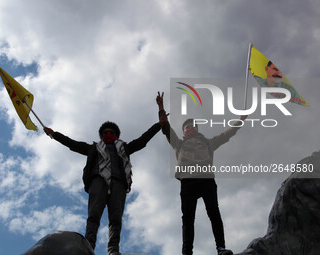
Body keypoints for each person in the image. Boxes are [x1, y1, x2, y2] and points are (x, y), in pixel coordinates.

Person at [44, 118, 164, 255]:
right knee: (93, 216)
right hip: (98, 181)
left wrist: (158, 125)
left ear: (116, 135)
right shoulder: (93, 148)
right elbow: (73, 144)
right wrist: (54, 134)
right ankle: (88, 247)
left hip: (118, 183)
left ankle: (113, 250)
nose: (108, 134)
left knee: (116, 219)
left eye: (111, 132)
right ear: (101, 135)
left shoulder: (124, 148)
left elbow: (142, 140)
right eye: (105, 132)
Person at [156, 92, 246, 255]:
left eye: (193, 126)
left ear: (197, 129)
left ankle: (221, 248)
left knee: (214, 213)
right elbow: (166, 127)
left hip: (206, 180)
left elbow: (227, 134)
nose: (190, 128)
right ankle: (187, 252)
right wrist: (161, 108)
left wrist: (241, 119)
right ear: (184, 132)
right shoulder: (179, 144)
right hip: (188, 182)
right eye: (187, 127)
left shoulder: (208, 142)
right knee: (188, 219)